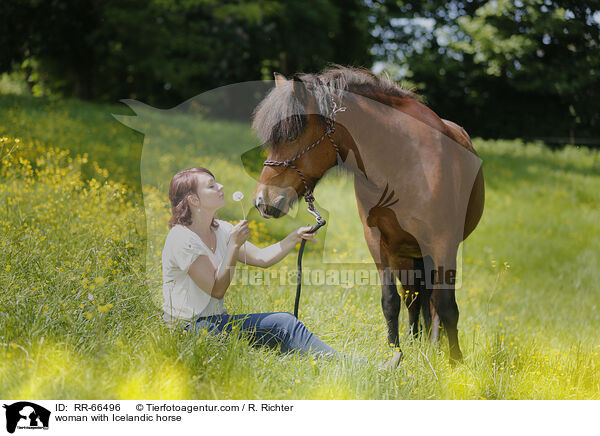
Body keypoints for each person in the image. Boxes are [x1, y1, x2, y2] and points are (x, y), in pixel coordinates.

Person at [161, 166, 401, 368]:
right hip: (189, 329)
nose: (221, 186)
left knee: (283, 324)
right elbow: (216, 290)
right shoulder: (182, 239)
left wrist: (293, 237)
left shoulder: (220, 229)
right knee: (283, 325)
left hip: (215, 322)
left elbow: (263, 258)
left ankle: (347, 365)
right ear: (193, 199)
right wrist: (234, 246)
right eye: (211, 185)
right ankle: (361, 368)